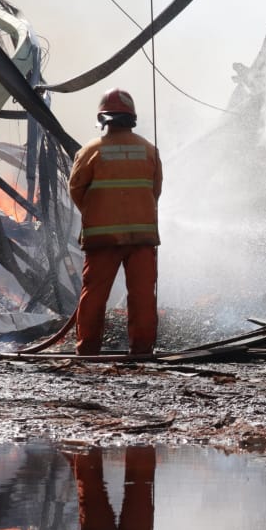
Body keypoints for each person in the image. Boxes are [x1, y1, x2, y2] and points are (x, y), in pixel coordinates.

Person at [68, 88, 162, 356]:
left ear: (102, 119)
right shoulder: (148, 150)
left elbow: (76, 190)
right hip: (141, 238)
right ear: (132, 118)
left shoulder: (89, 151)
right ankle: (142, 350)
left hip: (102, 239)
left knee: (94, 296)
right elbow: (155, 191)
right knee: (143, 297)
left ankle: (88, 351)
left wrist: (98, 212)